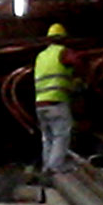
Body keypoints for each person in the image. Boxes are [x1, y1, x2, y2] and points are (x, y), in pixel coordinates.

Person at [30, 23, 77, 174]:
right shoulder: (63, 52)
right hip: (56, 101)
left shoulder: (41, 56)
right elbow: (77, 63)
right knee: (61, 134)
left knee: (47, 137)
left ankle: (46, 166)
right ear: (64, 39)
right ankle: (55, 168)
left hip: (40, 103)